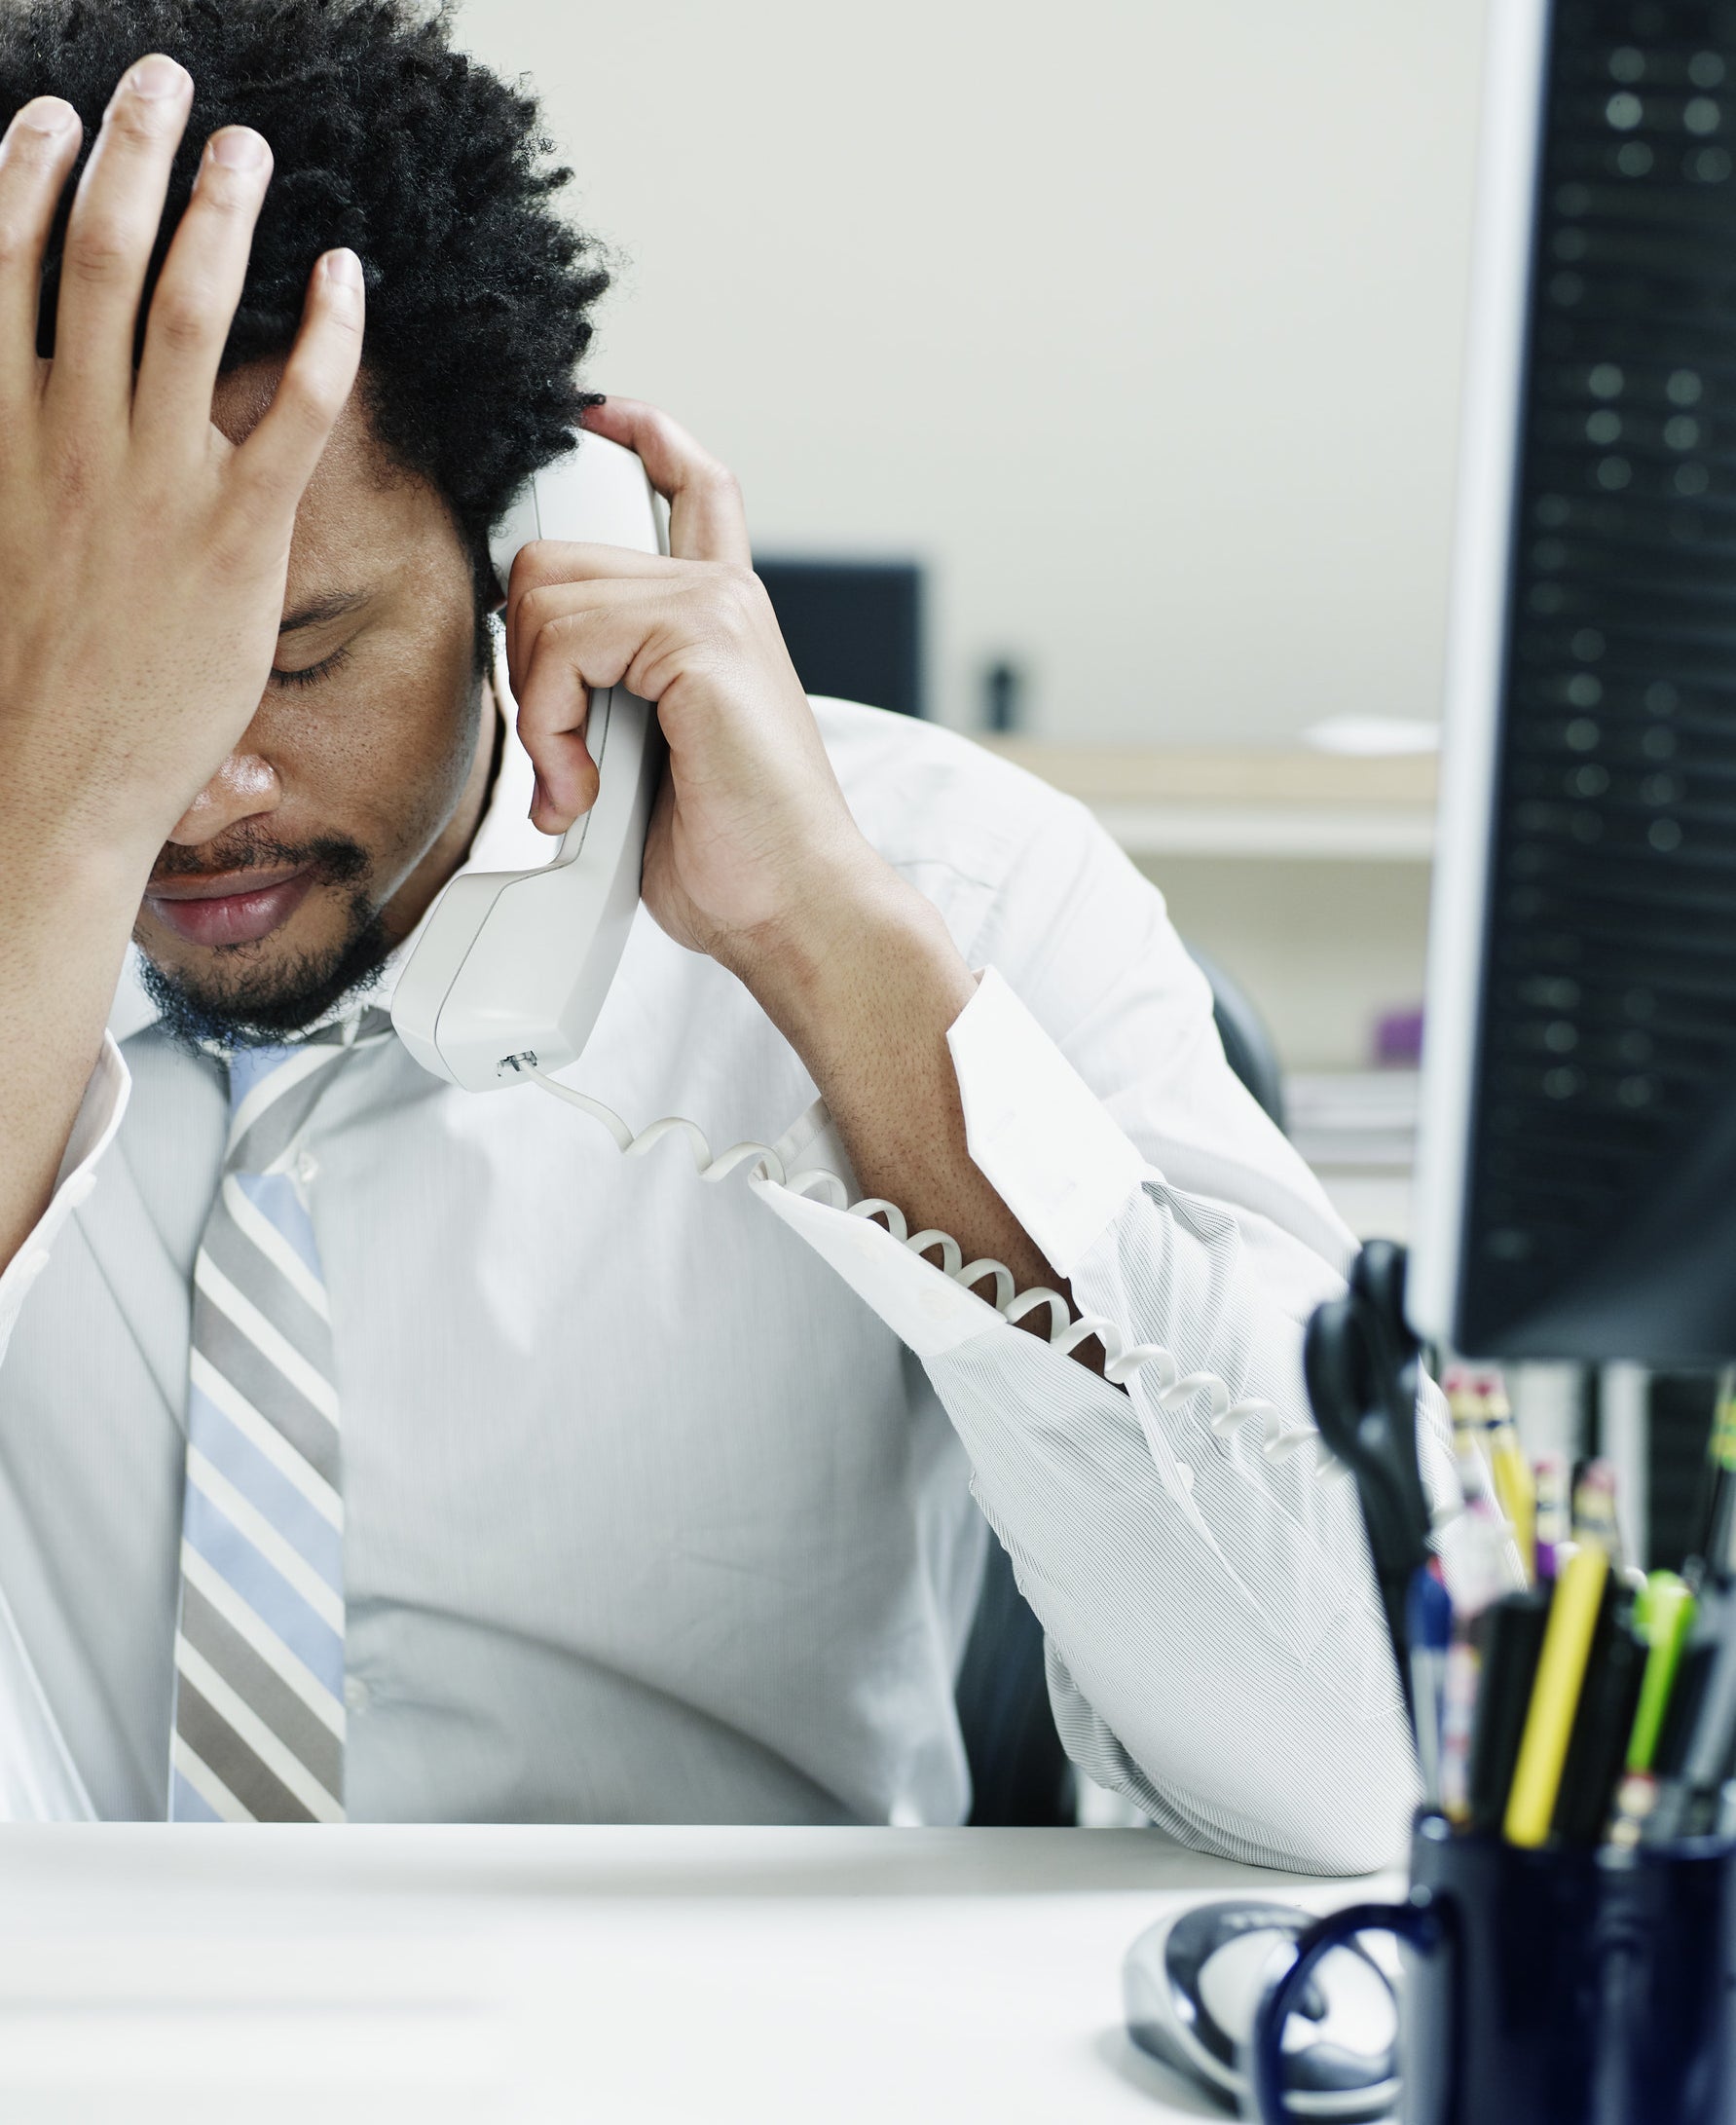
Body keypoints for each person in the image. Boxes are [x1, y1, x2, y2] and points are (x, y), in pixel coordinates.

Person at [0, 0, 1447, 1860]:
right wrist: (51, 835)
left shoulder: (959, 877)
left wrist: (840, 951)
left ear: (536, 540)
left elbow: (1351, 1766)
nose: (198, 792)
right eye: (87, 660)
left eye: (294, 657)